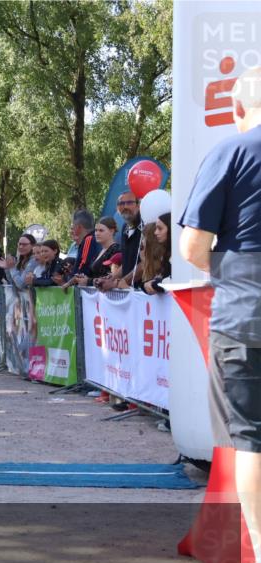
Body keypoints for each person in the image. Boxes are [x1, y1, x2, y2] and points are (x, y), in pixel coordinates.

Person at [179, 66, 261, 464]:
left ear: (238, 107)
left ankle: (257, 530)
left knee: (249, 439)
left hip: (244, 320)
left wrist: (227, 268)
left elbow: (192, 247)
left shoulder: (230, 152)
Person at [63, 217, 119, 290]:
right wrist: (69, 282)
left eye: (101, 230)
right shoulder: (100, 251)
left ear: (111, 231)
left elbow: (111, 279)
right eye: (96, 230)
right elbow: (90, 276)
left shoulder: (115, 250)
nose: (97, 233)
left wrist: (88, 281)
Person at [116, 191, 143, 287]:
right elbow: (126, 263)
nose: (125, 207)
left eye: (130, 203)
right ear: (117, 208)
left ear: (138, 205)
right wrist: (112, 278)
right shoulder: (124, 228)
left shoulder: (146, 225)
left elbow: (147, 262)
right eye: (121, 203)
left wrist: (123, 281)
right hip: (128, 293)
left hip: (145, 294)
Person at [143, 213, 172, 295]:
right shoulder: (166, 254)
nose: (155, 232)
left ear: (170, 229)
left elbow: (176, 280)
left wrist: (154, 284)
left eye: (160, 228)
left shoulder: (179, 254)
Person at [67, 210, 100, 279]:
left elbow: (84, 264)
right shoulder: (89, 239)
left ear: (78, 227)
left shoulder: (88, 239)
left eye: (73, 225)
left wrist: (72, 278)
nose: (72, 229)